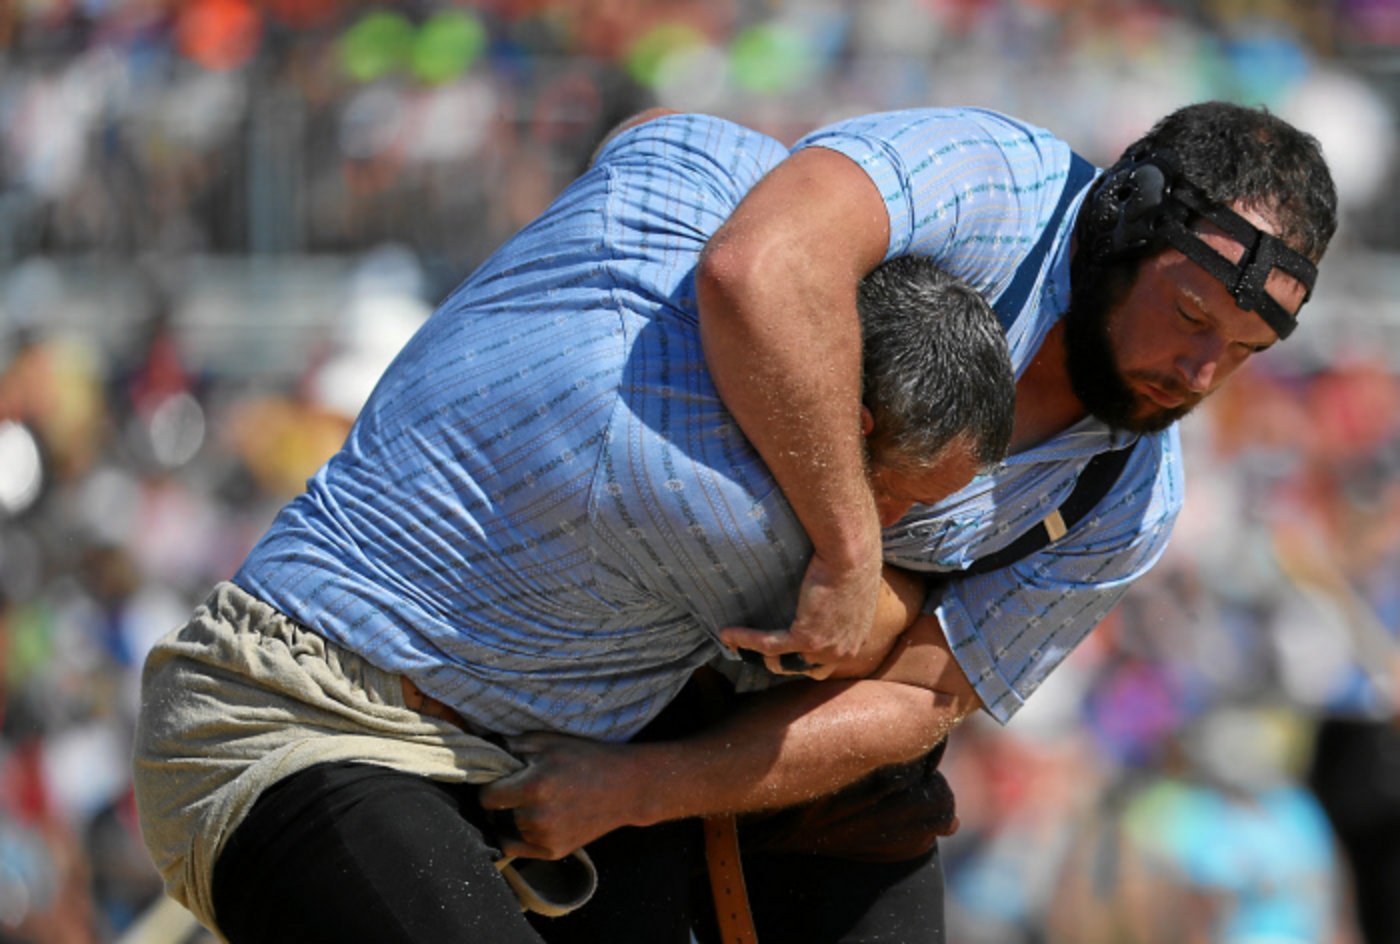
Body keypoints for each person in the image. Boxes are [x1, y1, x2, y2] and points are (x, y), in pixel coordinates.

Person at [130, 112, 1017, 944]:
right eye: (900, 498)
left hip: (468, 741)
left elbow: (642, 129)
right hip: (302, 722)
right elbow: (906, 646)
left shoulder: (702, 169)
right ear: (850, 426)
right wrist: (873, 560)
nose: (899, 527)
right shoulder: (713, 504)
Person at [478, 101, 1338, 943]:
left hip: (816, 765)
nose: (1200, 373)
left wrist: (640, 788)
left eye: (1243, 351)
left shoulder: (1135, 496)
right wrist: (854, 558)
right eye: (1190, 316)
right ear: (1124, 221)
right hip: (610, 653)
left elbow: (920, 695)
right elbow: (754, 265)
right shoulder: (989, 182)